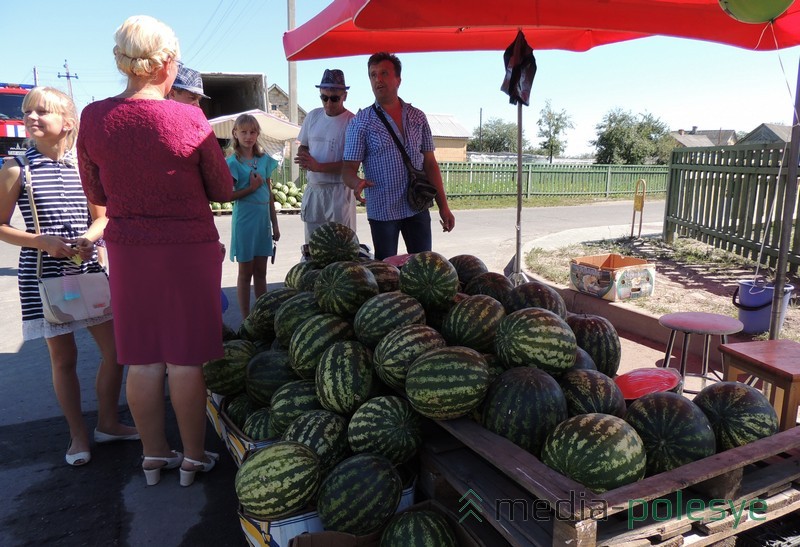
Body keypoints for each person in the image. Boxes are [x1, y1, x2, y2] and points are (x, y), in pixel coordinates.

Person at [76, 15, 232, 487]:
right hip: (188, 246)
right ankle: (192, 458)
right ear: (165, 62)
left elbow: (94, 189)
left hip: (129, 248)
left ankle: (152, 456)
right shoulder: (188, 117)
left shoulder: (95, 117)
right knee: (185, 359)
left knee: (142, 358)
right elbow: (222, 186)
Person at [0, 87, 138, 467]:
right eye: (28, 111)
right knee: (64, 359)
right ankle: (78, 434)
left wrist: (89, 239)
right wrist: (39, 241)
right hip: (44, 278)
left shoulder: (83, 165)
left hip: (88, 271)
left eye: (42, 111)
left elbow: (103, 215)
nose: (31, 117)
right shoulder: (16, 167)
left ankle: (108, 422)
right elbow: (0, 226)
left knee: (116, 351)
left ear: (67, 123)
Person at [342, 52, 455, 260]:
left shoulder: (417, 117)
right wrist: (355, 182)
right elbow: (347, 169)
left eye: (384, 73)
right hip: (383, 211)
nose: (378, 79)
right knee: (387, 273)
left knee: (424, 268)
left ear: (398, 80)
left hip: (417, 205)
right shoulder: (361, 122)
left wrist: (444, 207)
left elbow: (430, 164)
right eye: (372, 75)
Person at [225, 113, 280, 321]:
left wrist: (275, 224)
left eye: (252, 132)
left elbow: (270, 195)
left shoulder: (264, 160)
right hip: (245, 221)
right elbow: (228, 195)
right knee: (245, 272)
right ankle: (247, 318)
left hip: (262, 222)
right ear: (235, 133)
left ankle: (262, 317)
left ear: (257, 134)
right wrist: (251, 187)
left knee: (261, 272)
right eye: (244, 132)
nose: (248, 136)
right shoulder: (232, 162)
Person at [294, 69, 356, 241]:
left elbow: (350, 164)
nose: (329, 103)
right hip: (314, 191)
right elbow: (303, 145)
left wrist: (319, 167)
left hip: (338, 193)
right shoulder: (312, 116)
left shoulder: (352, 122)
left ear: (344, 96)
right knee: (313, 246)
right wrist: (304, 157)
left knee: (341, 246)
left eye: (334, 98)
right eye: (324, 97)